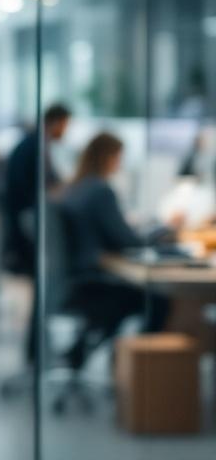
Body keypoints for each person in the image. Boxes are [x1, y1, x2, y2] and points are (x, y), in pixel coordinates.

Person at [59, 132, 171, 368]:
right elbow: (125, 240)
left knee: (127, 299)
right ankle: (137, 369)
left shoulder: (76, 186)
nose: (120, 163)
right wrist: (161, 233)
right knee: (157, 299)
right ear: (108, 157)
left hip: (72, 281)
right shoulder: (100, 190)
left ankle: (80, 352)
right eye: (118, 157)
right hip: (90, 283)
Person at [2, 103, 70, 364]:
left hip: (25, 227)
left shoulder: (32, 144)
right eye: (65, 125)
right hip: (29, 231)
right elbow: (45, 190)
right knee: (43, 288)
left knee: (40, 292)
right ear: (57, 122)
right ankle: (38, 350)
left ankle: (37, 349)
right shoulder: (34, 148)